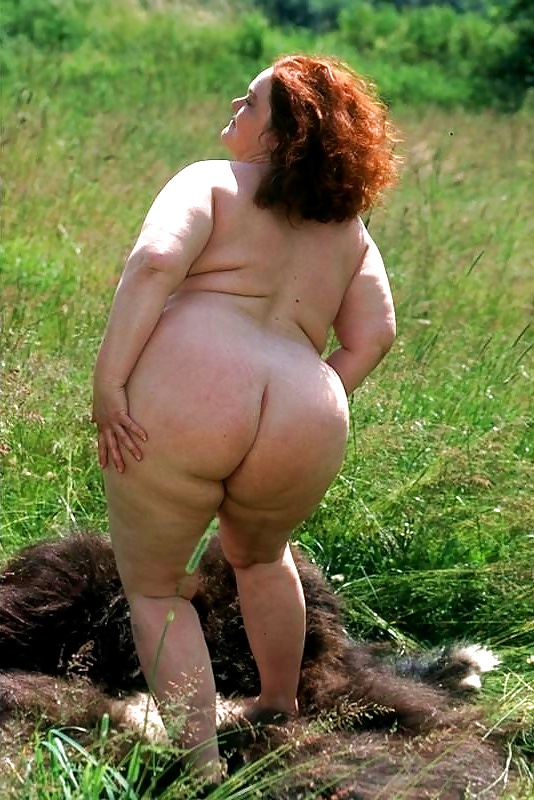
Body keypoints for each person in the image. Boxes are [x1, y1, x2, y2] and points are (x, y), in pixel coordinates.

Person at [92, 54, 399, 780]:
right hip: (304, 412)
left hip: (188, 398)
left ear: (288, 132)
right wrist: (315, 396)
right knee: (261, 558)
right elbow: (376, 335)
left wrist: (110, 384)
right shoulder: (347, 229)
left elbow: (155, 263)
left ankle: (201, 769)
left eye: (254, 100)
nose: (237, 101)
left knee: (156, 589)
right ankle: (277, 707)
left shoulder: (211, 180)